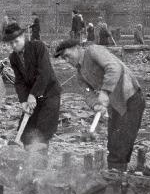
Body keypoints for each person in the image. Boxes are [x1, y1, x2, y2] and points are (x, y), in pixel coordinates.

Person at [55, 36, 145, 171]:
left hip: (130, 99)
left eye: (67, 55)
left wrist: (105, 92)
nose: (67, 61)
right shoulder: (79, 74)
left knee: (122, 144)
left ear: (77, 48)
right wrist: (96, 105)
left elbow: (114, 67)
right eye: (64, 58)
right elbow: (87, 93)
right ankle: (117, 176)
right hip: (116, 106)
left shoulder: (93, 51)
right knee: (113, 144)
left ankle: (117, 180)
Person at [3, 23, 61, 151]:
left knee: (42, 131)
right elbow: (19, 81)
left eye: (16, 41)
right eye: (10, 43)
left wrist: (32, 94)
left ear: (23, 37)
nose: (13, 45)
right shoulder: (13, 57)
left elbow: (44, 73)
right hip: (31, 98)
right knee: (26, 132)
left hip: (49, 93)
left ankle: (39, 166)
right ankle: (27, 162)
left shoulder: (37, 47)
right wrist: (23, 100)